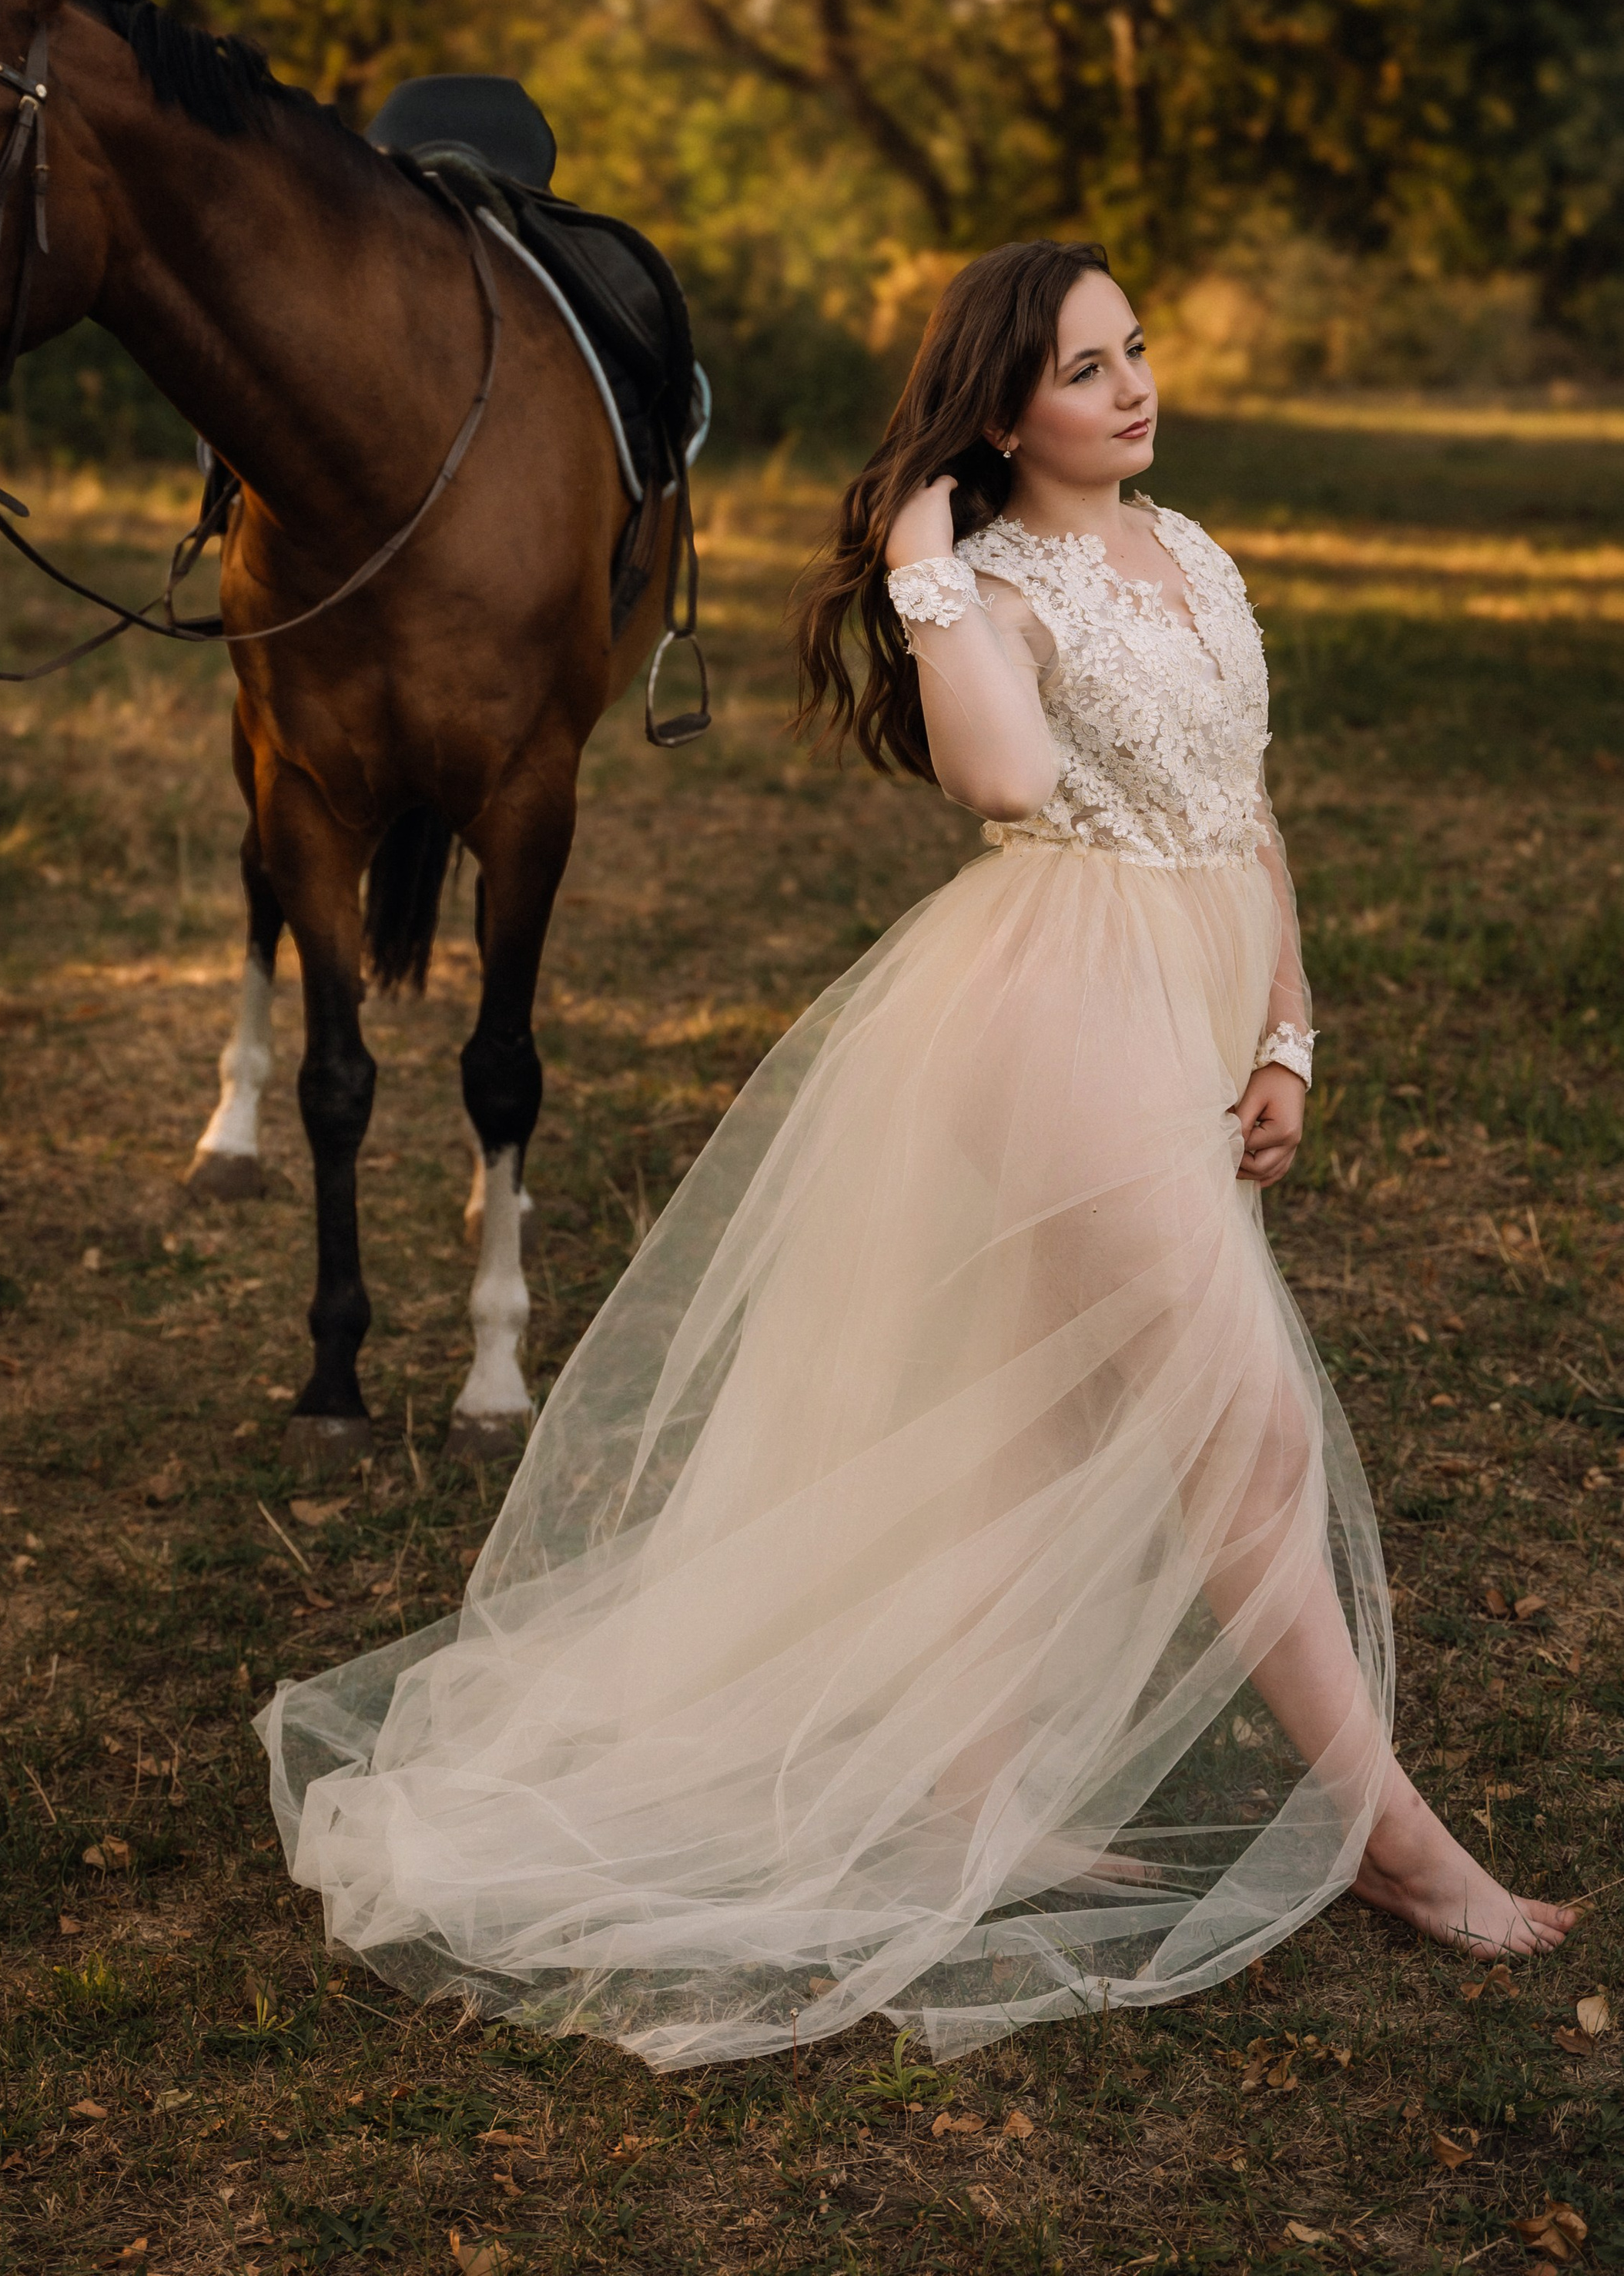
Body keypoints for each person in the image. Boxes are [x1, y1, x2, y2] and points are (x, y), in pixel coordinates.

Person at [257, 240, 1574, 2070]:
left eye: (1134, 351)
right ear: (997, 413)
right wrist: (918, 571)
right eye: (1083, 369)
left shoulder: (1188, 551)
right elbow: (1008, 787)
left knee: (1029, 1424)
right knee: (1240, 1426)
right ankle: (1390, 1841)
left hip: (1193, 1000)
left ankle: (974, 1803)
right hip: (1055, 1017)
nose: (1129, 388)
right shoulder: (986, 587)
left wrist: (1283, 1028)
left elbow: (1240, 804)